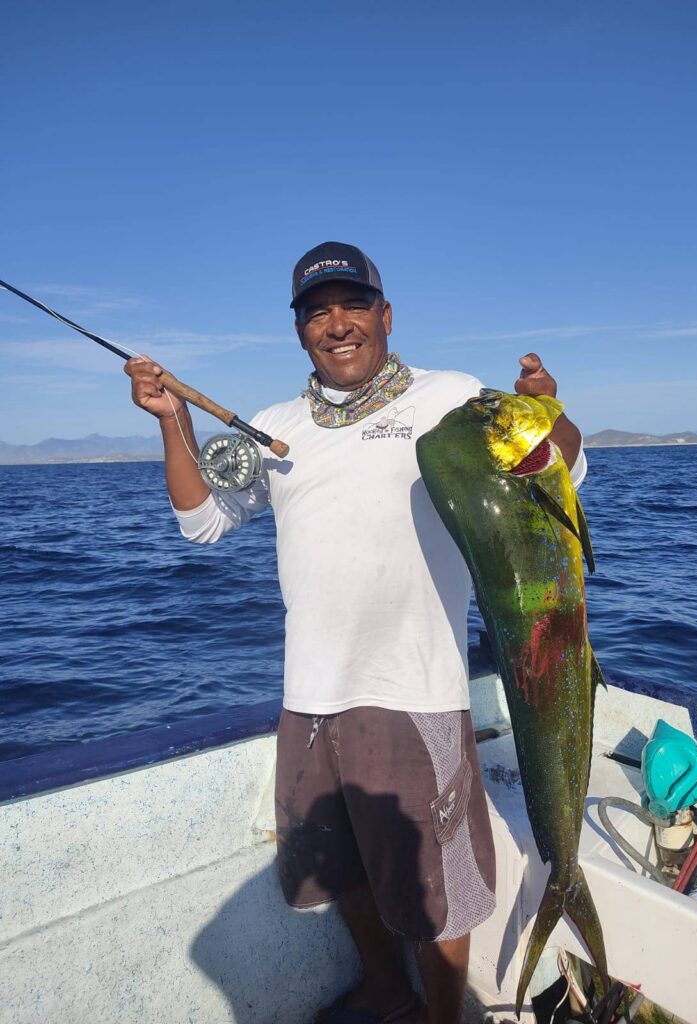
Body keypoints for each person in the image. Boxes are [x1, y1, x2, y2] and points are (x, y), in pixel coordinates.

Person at [125, 242, 586, 1024]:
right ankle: (384, 987)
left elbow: (563, 472)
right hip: (309, 697)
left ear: (385, 315)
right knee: (339, 872)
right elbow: (200, 522)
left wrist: (553, 407)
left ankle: (443, 1016)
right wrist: (175, 421)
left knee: (435, 892)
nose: (337, 324)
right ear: (301, 328)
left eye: (353, 306)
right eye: (317, 311)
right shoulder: (274, 427)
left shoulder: (451, 397)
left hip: (416, 690)